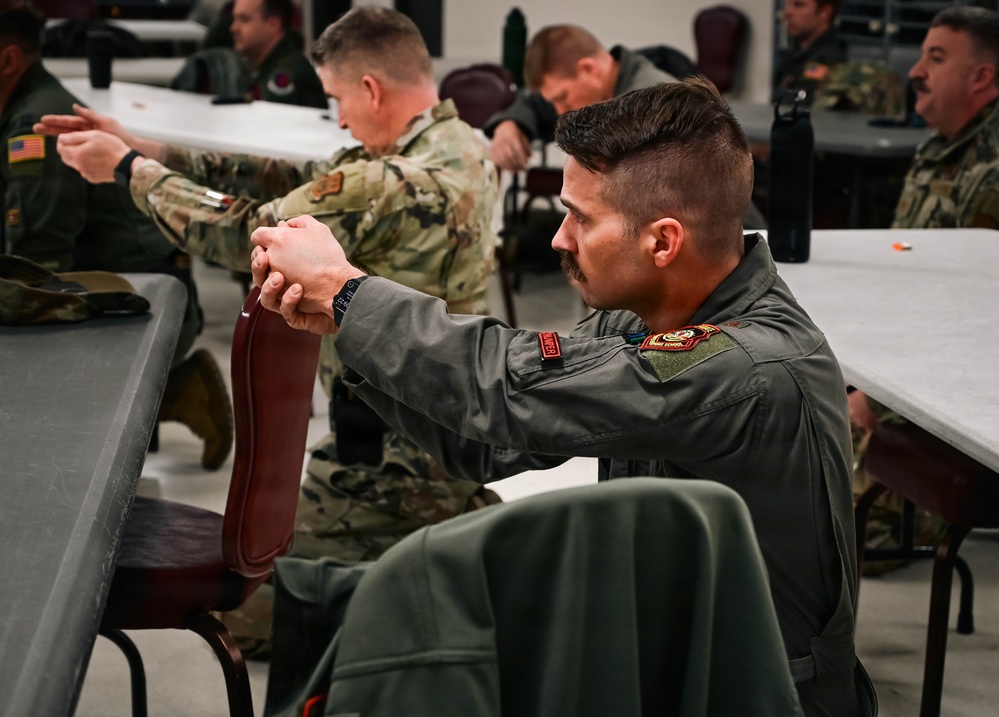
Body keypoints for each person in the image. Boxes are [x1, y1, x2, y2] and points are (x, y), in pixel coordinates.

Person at [250, 79, 874, 717]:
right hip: (678, 663)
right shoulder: (646, 318)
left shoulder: (744, 364)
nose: (558, 239)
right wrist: (347, 330)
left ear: (662, 241)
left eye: (581, 217)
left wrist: (348, 292)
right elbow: (493, 436)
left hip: (760, 696)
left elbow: (510, 385)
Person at [37, 5, 500, 657]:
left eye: (338, 99)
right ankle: (437, 548)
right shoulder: (458, 148)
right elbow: (308, 182)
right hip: (433, 428)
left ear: (370, 89)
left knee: (232, 613)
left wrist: (128, 172)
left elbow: (244, 228)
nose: (337, 117)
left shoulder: (391, 183)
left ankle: (408, 592)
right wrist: (156, 151)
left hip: (386, 466)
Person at [0, 0, 233, 471]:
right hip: (135, 291)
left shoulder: (34, 129)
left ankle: (162, 395)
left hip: (141, 306)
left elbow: (38, 264)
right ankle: (180, 391)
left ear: (8, 60)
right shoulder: (26, 104)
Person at [852, 6, 999, 565]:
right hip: (899, 381)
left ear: (981, 77)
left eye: (937, 58)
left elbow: (975, 327)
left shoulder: (990, 171)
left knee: (807, 523)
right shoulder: (942, 147)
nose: (916, 70)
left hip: (941, 416)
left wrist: (876, 400)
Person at [484, 24, 675, 173]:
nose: (559, 111)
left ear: (588, 69)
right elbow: (532, 105)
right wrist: (509, 125)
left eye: (562, 97)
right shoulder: (587, 93)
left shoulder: (654, 102)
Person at [171, 0, 326, 109]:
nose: (233, 28)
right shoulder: (260, 68)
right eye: (235, 19)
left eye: (244, 20)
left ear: (273, 25)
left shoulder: (288, 72)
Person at [773, 0, 847, 105]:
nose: (788, 12)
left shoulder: (827, 60)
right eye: (788, 5)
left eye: (799, 5)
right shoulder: (795, 55)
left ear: (824, 12)